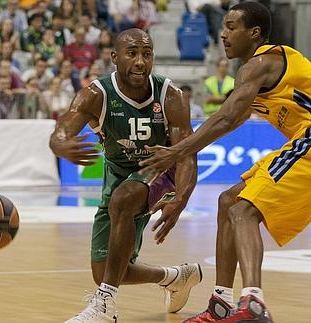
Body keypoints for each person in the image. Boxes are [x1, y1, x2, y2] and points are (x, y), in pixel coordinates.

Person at [139, 2, 311, 322]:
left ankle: (253, 302)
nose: (223, 34)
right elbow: (231, 119)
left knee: (243, 209)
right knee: (228, 201)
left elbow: (226, 117)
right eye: (224, 27)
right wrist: (183, 184)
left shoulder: (263, 62)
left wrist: (178, 151)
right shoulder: (253, 74)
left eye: (231, 27)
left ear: (253, 33)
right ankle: (221, 303)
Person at [49, 28, 202, 323]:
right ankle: (176, 277)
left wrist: (181, 198)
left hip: (161, 171)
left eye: (147, 54)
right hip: (118, 174)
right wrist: (59, 143)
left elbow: (186, 153)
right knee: (106, 268)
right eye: (132, 54)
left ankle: (104, 306)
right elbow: (64, 127)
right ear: (115, 57)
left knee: (123, 199)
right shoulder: (97, 94)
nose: (141, 62)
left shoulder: (171, 95)